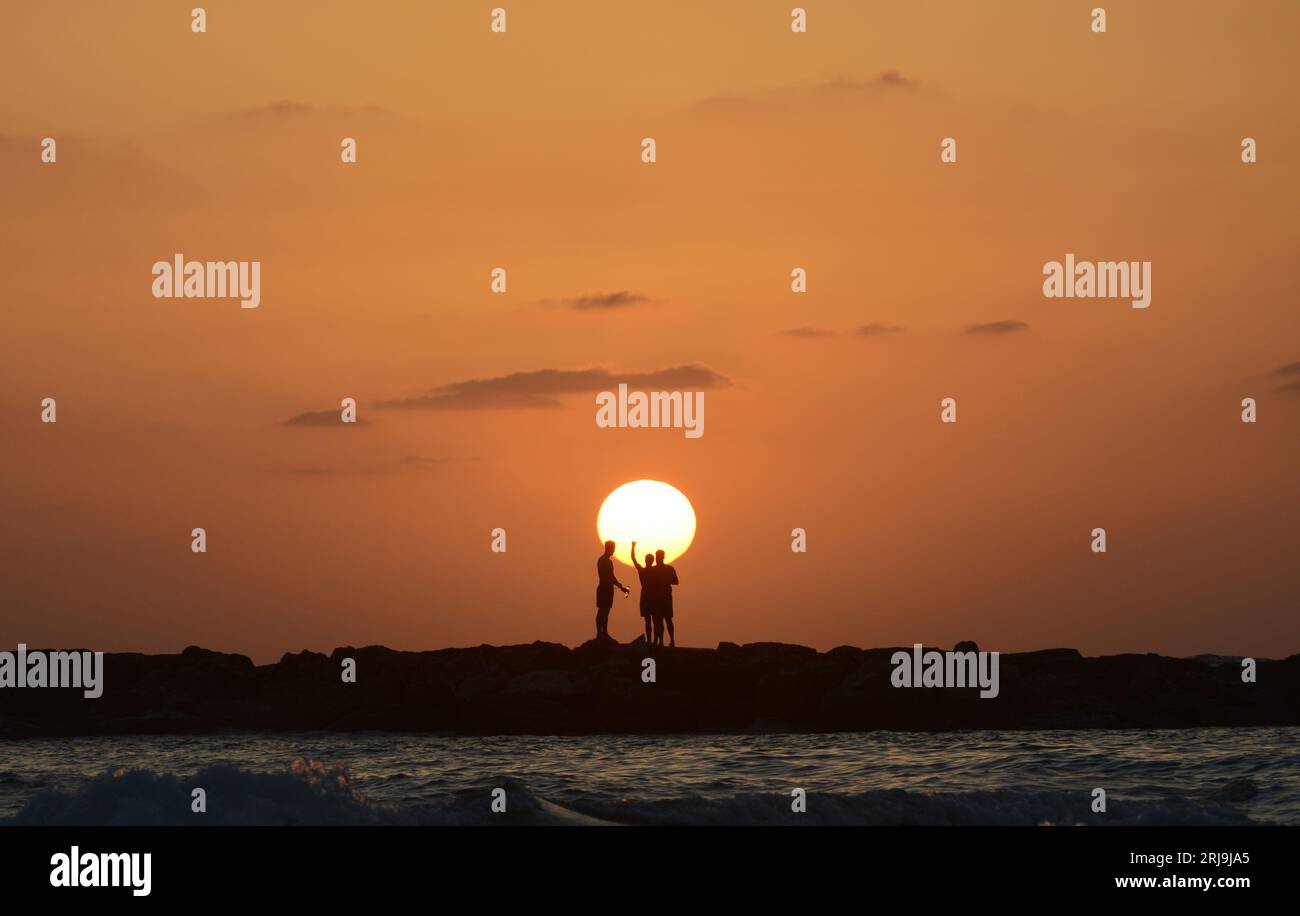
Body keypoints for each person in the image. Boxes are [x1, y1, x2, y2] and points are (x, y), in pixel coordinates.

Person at [594, 540, 629, 639]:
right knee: (604, 611)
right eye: (613, 548)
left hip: (602, 587)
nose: (614, 550)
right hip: (606, 588)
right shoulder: (607, 561)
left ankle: (601, 633)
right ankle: (603, 633)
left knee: (602, 611)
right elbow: (611, 577)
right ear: (609, 548)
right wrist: (621, 587)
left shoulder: (600, 559)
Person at [652, 548, 679, 647]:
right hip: (657, 598)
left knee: (667, 619)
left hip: (666, 597)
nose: (657, 558)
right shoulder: (653, 570)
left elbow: (676, 581)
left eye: (658, 557)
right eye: (656, 557)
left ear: (662, 557)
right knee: (658, 620)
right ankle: (661, 642)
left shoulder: (669, 569)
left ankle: (672, 640)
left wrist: (665, 580)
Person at [630, 542, 656, 644]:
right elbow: (633, 559)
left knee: (648, 620)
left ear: (646, 560)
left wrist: (633, 547)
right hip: (652, 595)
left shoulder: (642, 571)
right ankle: (654, 640)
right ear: (652, 561)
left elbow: (633, 559)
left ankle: (650, 640)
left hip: (646, 595)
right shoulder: (654, 571)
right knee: (654, 619)